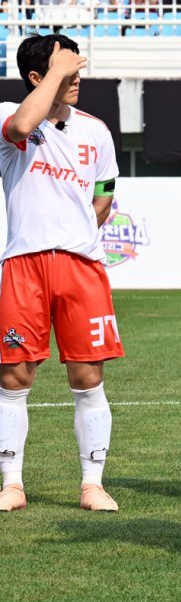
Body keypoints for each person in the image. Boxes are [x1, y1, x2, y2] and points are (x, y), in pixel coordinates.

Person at [0, 35, 121, 514]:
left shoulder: (97, 131)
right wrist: (54, 73)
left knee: (88, 375)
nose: (76, 79)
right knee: (14, 375)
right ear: (38, 77)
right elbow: (26, 122)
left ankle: (93, 484)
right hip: (24, 263)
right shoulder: (12, 114)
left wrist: (79, 231)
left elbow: (105, 194)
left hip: (82, 266)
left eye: (76, 69)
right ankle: (12, 483)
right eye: (66, 70)